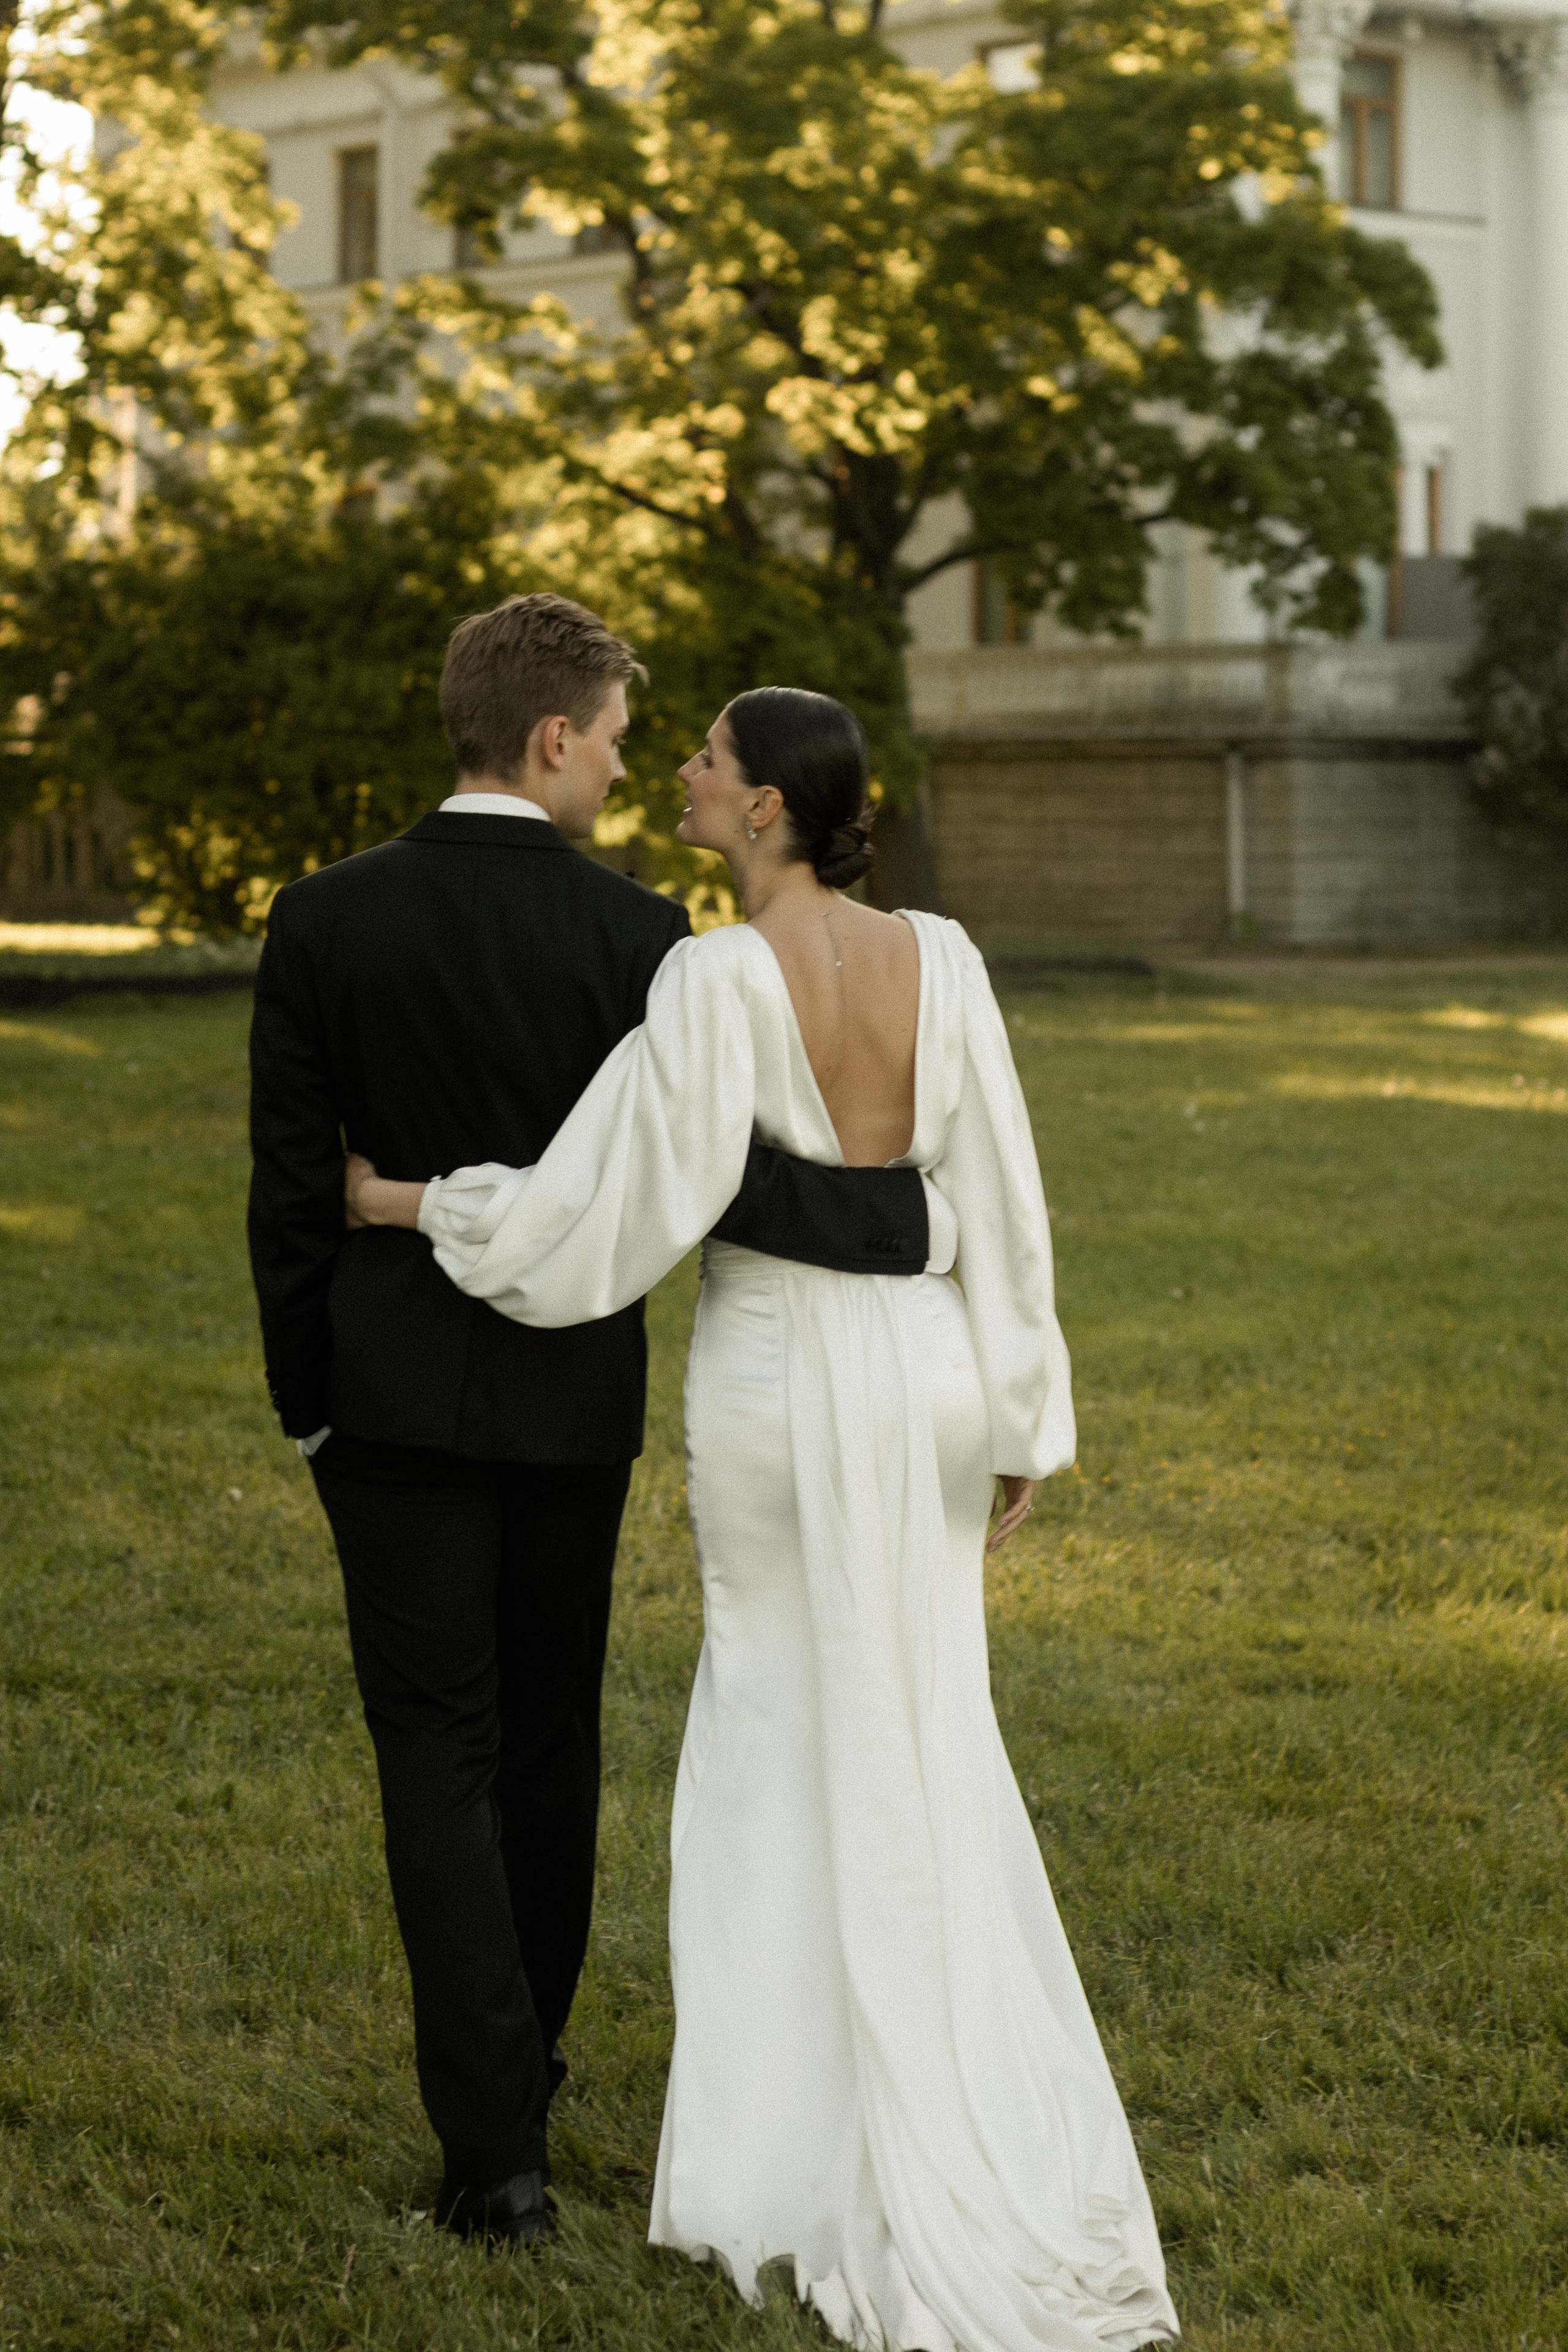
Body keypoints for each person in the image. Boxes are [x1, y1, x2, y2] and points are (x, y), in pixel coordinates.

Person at [344, 685, 1182, 2350]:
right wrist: (1023, 1409)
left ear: (769, 808)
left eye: (711, 759)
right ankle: (928, 2095)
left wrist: (407, 1200)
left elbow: (607, 1203)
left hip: (782, 1379)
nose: (682, 770)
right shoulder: (946, 958)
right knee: (923, 1725)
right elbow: (1004, 1196)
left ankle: (784, 2157)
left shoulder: (718, 976)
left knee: (775, 1725)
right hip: (930, 1376)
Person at [246, 599, 933, 2249]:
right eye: (620, 739)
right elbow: (709, 1182)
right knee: (550, 1742)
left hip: (385, 1403)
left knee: (437, 1752)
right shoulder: (639, 939)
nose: (629, 767)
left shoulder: (326, 916)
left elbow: (289, 1189)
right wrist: (913, 1220)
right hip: (571, 1404)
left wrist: (307, 1406)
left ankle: (495, 2153)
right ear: (553, 738)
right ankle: (525, 2085)